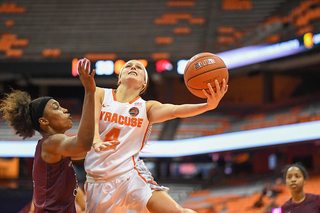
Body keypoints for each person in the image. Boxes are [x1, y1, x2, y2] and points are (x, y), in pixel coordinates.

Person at [84, 59, 228, 213]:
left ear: (143, 84)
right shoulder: (99, 93)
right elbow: (90, 119)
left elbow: (176, 110)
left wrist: (207, 106)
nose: (133, 67)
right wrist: (96, 140)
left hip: (129, 176)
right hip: (97, 181)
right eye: (128, 66)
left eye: (139, 68)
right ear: (119, 78)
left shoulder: (146, 108)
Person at [0, 58, 109, 212]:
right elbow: (83, 144)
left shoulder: (57, 148)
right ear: (44, 121)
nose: (65, 110)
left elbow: (85, 151)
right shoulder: (52, 142)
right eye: (56, 108)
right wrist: (90, 92)